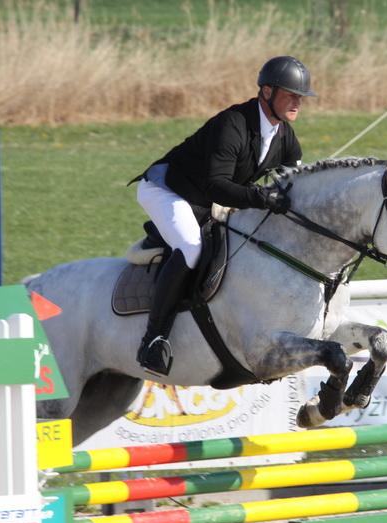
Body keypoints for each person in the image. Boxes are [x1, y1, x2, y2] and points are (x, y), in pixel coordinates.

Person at [133, 55, 316, 376]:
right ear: (267, 92)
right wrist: (261, 197)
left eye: (301, 97)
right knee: (192, 247)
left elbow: (293, 186)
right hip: (167, 190)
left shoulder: (285, 137)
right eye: (291, 95)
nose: (297, 103)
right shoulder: (232, 125)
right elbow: (217, 186)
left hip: (204, 198)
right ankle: (153, 340)